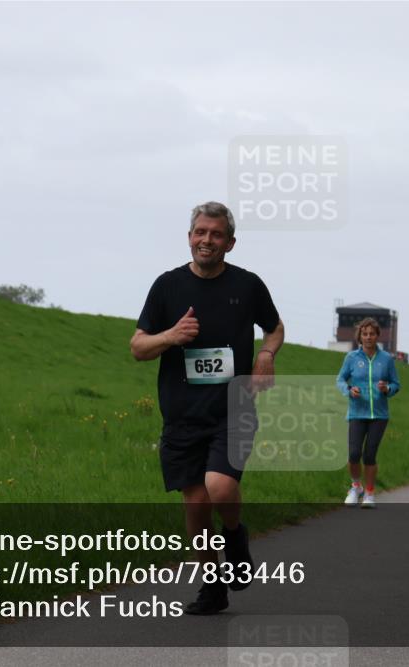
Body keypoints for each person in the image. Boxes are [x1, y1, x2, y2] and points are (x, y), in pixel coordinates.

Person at [130, 201, 284, 615]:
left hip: (234, 407)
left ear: (230, 243)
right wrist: (171, 336)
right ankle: (212, 588)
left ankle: (234, 537)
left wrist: (267, 355)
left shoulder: (248, 286)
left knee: (220, 486)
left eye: (216, 234)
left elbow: (275, 328)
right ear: (189, 237)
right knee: (196, 507)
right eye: (201, 232)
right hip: (182, 415)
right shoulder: (167, 286)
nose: (207, 240)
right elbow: (138, 347)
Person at [337, 317, 401, 509]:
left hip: (379, 415)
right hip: (357, 412)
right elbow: (340, 379)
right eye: (365, 334)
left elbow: (396, 384)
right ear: (360, 336)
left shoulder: (386, 359)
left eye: (372, 334)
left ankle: (370, 493)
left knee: (369, 456)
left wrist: (387, 389)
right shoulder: (352, 358)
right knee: (354, 454)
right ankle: (356, 487)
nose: (368, 337)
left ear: (377, 336)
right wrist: (349, 390)